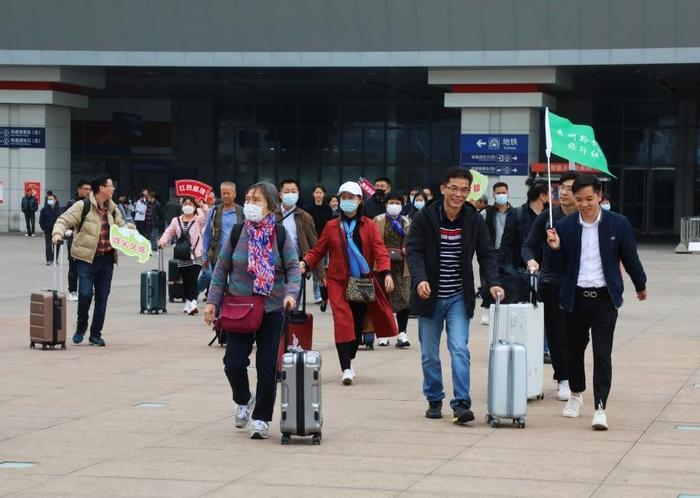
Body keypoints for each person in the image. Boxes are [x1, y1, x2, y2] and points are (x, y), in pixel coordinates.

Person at [546, 174, 647, 430]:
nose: (584, 204)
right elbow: (556, 268)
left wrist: (640, 284)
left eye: (589, 198)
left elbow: (630, 257)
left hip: (604, 298)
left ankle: (600, 406)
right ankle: (576, 394)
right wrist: (555, 248)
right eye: (579, 200)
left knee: (602, 353)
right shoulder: (566, 227)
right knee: (574, 350)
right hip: (575, 298)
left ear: (599, 195)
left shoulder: (618, 224)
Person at [405, 167, 503, 424]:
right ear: (443, 189)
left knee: (459, 348)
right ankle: (434, 397)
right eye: (454, 188)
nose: (458, 194)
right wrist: (420, 279)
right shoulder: (425, 217)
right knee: (429, 353)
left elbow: (487, 254)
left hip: (459, 296)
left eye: (464, 190)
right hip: (429, 297)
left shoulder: (473, 219)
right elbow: (413, 251)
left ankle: (461, 403)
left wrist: (492, 283)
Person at [204, 182, 300, 440]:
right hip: (240, 307)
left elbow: (293, 268)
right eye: (247, 199)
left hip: (272, 307)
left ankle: (261, 418)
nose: (250, 205)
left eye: (256, 200)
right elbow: (221, 269)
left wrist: (291, 295)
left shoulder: (280, 235)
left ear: (269, 205)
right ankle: (244, 399)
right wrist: (212, 302)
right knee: (232, 364)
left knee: (268, 366)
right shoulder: (238, 233)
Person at [301, 181, 397, 385]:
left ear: (360, 200)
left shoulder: (369, 225)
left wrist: (386, 272)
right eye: (343, 197)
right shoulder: (332, 226)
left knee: (356, 325)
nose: (346, 201)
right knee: (343, 322)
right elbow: (318, 250)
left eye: (350, 197)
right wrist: (305, 263)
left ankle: (350, 358)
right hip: (337, 281)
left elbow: (380, 250)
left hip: (362, 281)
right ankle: (345, 368)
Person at [52, 174, 133, 347]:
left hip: (107, 259)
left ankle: (96, 334)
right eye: (111, 186)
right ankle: (81, 327)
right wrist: (57, 233)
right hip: (86, 259)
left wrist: (129, 229)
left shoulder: (113, 208)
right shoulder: (83, 206)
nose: (113, 189)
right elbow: (63, 220)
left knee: (102, 298)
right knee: (85, 294)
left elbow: (122, 225)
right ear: (102, 188)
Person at [521, 171, 581, 402]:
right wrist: (531, 260)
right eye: (561, 187)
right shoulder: (548, 217)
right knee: (556, 333)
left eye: (570, 187)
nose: (564, 192)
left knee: (577, 335)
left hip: (580, 283)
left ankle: (574, 374)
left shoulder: (586, 219)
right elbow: (528, 246)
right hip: (552, 282)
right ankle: (563, 378)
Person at [275, 179, 325, 308]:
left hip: (297, 265)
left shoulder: (305, 217)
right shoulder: (271, 215)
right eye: (287, 191)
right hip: (274, 266)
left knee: (292, 304)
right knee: (275, 305)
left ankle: (290, 327)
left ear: (298, 194)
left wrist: (320, 273)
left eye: (293, 191)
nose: (290, 194)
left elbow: (315, 245)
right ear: (280, 195)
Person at [373, 192, 412, 348]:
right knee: (384, 298)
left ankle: (402, 332)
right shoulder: (377, 220)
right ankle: (384, 333)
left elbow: (414, 240)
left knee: (403, 298)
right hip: (382, 263)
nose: (394, 205)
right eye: (391, 202)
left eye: (397, 202)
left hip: (402, 265)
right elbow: (372, 240)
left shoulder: (407, 221)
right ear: (386, 204)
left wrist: (406, 247)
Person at [478, 182, 519, 325]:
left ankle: (503, 307)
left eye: (504, 192)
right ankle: (487, 308)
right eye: (498, 193)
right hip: (490, 251)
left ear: (508, 193)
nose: (502, 195)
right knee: (487, 280)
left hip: (508, 252)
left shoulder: (515, 212)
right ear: (494, 194)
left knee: (507, 279)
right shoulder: (486, 212)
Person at [158, 197, 207, 315]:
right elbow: (169, 232)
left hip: (196, 255)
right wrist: (162, 241)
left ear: (194, 207)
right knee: (185, 280)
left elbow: (207, 216)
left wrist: (203, 207)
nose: (188, 206)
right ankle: (188, 302)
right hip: (182, 255)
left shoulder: (198, 220)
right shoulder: (176, 220)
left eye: (190, 204)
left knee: (193, 279)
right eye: (185, 203)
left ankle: (193, 302)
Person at [200, 181, 244, 293]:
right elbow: (207, 235)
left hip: (237, 254)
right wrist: (204, 255)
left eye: (228, 193)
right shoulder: (214, 211)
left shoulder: (242, 212)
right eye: (223, 193)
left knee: (235, 284)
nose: (225, 196)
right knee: (219, 284)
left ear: (234, 194)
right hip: (218, 254)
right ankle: (217, 308)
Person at [63, 179, 92, 301]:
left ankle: (86, 290)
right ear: (79, 189)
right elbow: (66, 218)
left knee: (88, 267)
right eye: (85, 189)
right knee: (74, 266)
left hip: (88, 239)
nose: (88, 191)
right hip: (75, 239)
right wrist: (66, 231)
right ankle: (72, 290)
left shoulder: (92, 204)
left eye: (90, 189)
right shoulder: (73, 203)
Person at [305, 184, 333, 304]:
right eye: (316, 192)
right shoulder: (308, 208)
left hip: (324, 243)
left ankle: (319, 295)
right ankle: (317, 294)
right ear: (313, 194)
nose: (318, 195)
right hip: (311, 242)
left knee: (321, 270)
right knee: (314, 267)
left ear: (324, 194)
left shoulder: (328, 209)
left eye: (320, 192)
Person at [39, 193, 61, 265]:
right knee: (48, 245)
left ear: (55, 200)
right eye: (48, 199)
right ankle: (49, 259)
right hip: (47, 230)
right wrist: (44, 227)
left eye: (51, 199)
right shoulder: (44, 210)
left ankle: (55, 258)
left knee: (57, 244)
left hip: (57, 230)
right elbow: (41, 220)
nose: (49, 200)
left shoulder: (59, 209)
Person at [144, 190, 162, 255]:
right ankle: (151, 249)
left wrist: (157, 220)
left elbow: (160, 214)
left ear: (152, 197)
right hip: (148, 222)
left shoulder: (157, 204)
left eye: (149, 197)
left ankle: (155, 250)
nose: (148, 198)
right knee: (150, 236)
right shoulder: (148, 203)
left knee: (153, 236)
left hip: (155, 223)